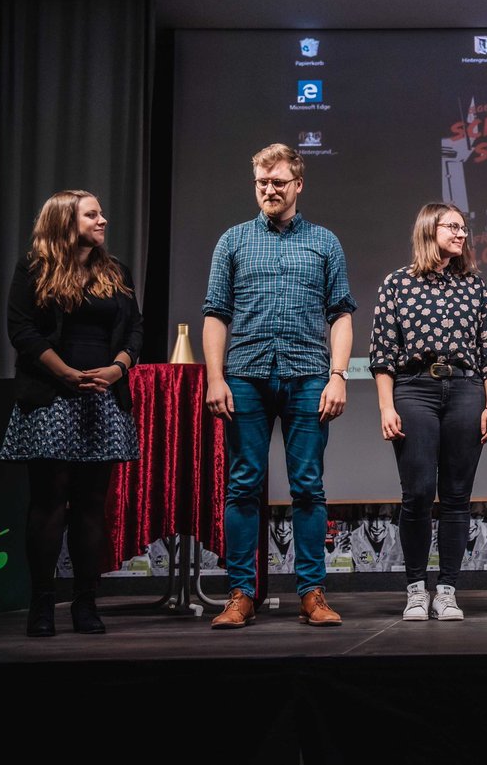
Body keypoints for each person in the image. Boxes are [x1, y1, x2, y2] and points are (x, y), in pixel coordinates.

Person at [203, 143, 356, 629]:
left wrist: (338, 376)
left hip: (309, 375)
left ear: (298, 185)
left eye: (278, 182)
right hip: (245, 375)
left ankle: (312, 593)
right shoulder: (232, 241)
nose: (269, 190)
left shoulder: (324, 242)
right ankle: (241, 594)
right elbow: (214, 315)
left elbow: (342, 315)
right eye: (262, 183)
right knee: (243, 485)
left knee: (308, 486)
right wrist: (214, 378)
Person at [0, 189, 143, 637]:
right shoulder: (35, 267)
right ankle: (42, 604)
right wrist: (63, 372)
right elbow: (20, 328)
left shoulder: (114, 270)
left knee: (91, 506)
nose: (103, 221)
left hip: (101, 397)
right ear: (66, 220)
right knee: (48, 503)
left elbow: (135, 328)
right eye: (92, 214)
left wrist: (119, 368)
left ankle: (85, 602)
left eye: (102, 213)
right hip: (51, 396)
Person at [370, 202, 487, 621]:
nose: (462, 234)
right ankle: (415, 589)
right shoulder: (397, 284)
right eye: (453, 227)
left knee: (458, 496)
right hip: (414, 390)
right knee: (418, 493)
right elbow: (382, 354)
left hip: (466, 390)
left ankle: (446, 589)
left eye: (464, 228)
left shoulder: (474, 285)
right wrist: (386, 407)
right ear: (430, 229)